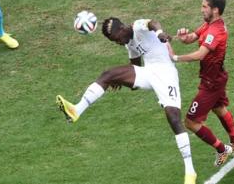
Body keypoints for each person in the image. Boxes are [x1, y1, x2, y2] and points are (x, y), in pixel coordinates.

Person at [56, 17, 197, 184]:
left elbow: (153, 23)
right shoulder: (129, 44)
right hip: (149, 72)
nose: (118, 42)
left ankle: (190, 171)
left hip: (166, 73)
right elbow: (135, 69)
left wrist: (159, 33)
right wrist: (121, 79)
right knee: (108, 75)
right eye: (114, 41)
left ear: (122, 28)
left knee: (173, 118)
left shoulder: (137, 26)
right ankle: (76, 110)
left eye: (117, 38)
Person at [172, 0, 234, 166]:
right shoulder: (209, 25)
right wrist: (184, 37)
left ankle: (221, 149)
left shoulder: (216, 31)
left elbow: (200, 54)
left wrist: (175, 58)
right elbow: (192, 38)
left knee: (190, 121)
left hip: (211, 83)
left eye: (205, 6)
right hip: (217, 78)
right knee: (219, 107)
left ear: (215, 10)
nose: (201, 9)